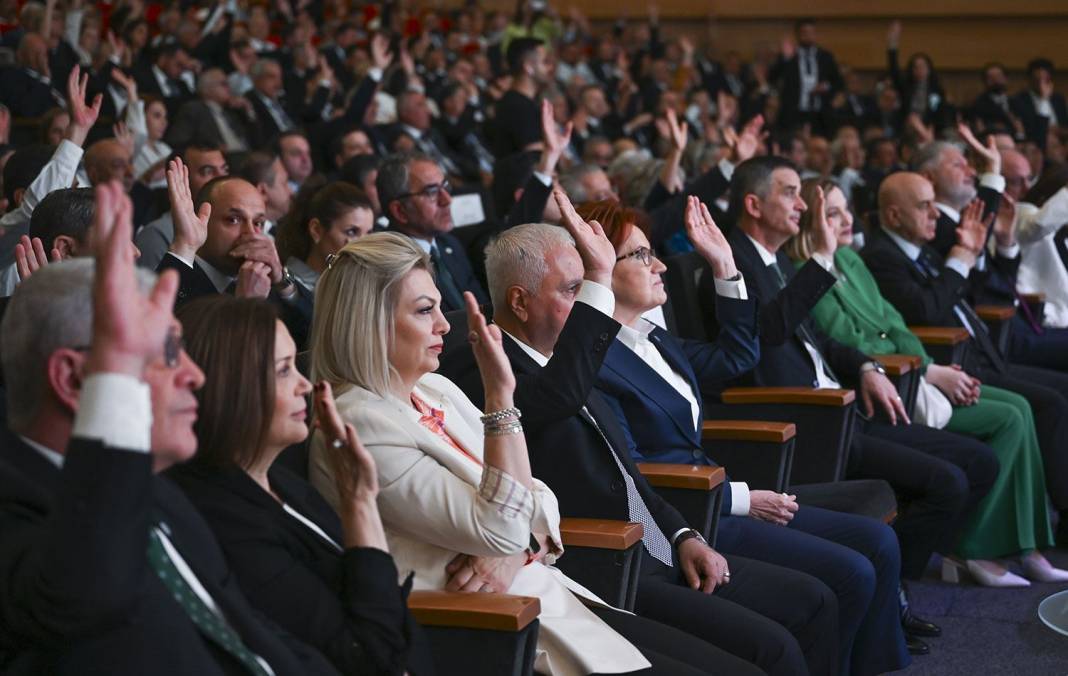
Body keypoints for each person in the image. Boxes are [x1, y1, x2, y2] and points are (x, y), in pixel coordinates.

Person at [307, 231, 758, 676]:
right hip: (491, 630)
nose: (446, 326)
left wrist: (517, 544)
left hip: (545, 590)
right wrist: (501, 402)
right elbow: (505, 522)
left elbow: (540, 491)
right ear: (370, 322)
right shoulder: (358, 422)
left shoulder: (434, 388)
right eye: (425, 312)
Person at [442, 193, 840, 676]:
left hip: (667, 537)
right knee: (769, 653)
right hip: (610, 560)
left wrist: (684, 533)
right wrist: (602, 280)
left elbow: (629, 471)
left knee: (814, 602)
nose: (590, 303)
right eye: (575, 290)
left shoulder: (577, 353)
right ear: (520, 302)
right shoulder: (490, 366)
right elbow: (557, 398)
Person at [0, 181, 338, 675]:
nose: (195, 375)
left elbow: (250, 634)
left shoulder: (159, 490)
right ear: (76, 379)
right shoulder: (15, 508)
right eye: (165, 353)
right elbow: (88, 593)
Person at [584, 196, 909, 674]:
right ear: (599, 269)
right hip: (691, 513)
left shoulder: (651, 337)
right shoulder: (595, 358)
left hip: (717, 495)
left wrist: (724, 265)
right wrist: (739, 498)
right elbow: (633, 476)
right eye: (640, 255)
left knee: (875, 543)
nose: (659, 267)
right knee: (851, 572)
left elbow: (737, 356)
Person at [697, 157, 998, 600]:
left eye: (802, 193)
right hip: (808, 421)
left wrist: (866, 366)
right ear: (753, 204)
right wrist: (820, 256)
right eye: (789, 192)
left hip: (844, 404)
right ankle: (893, 594)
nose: (800, 204)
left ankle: (892, 590)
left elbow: (821, 339)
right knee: (948, 482)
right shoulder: (728, 264)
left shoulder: (775, 260)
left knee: (978, 463)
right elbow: (768, 332)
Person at [790, 177, 1068, 586]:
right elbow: (849, 341)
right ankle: (975, 547)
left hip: (918, 372)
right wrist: (923, 369)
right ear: (808, 221)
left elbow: (895, 324)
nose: (847, 220)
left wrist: (927, 366)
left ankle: (1026, 546)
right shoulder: (805, 272)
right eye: (832, 213)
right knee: (1011, 416)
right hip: (890, 388)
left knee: (1021, 409)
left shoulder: (850, 260)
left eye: (845, 209)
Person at [169, 295, 434, 675]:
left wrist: (360, 496)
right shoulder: (228, 524)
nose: (304, 386)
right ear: (230, 386)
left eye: (296, 366)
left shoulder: (281, 481)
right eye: (282, 371)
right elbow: (367, 658)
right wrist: (359, 501)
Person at [861, 170, 1068, 559]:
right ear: (892, 216)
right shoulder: (880, 257)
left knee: (1041, 400)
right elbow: (926, 312)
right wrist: (961, 257)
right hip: (947, 366)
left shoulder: (918, 250)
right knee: (1028, 409)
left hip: (978, 353)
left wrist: (997, 247)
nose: (935, 216)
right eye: (924, 207)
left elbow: (974, 295)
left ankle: (1027, 541)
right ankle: (990, 544)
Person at [157, 158, 313, 347]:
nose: (250, 233)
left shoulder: (267, 281)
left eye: (258, 223)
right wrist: (244, 306)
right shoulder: (176, 282)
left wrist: (282, 281)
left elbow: (315, 335)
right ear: (200, 220)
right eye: (233, 220)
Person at [375, 151, 487, 313]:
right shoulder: (389, 267)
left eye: (445, 187)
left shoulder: (449, 243)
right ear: (400, 211)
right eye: (432, 192)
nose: (447, 200)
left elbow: (482, 307)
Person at [134, 143, 229, 271]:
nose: (222, 178)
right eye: (208, 171)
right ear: (181, 179)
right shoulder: (155, 235)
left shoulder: (236, 225)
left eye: (225, 169)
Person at [274, 178, 375, 293]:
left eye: (368, 234)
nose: (365, 246)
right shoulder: (286, 288)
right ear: (316, 230)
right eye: (351, 232)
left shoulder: (362, 286)